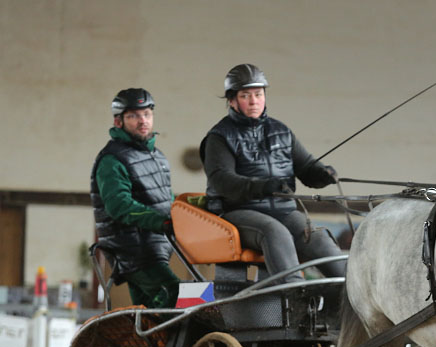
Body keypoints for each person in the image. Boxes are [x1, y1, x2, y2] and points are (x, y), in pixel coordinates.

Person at [200, 63, 346, 282]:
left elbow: (306, 167)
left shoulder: (281, 131)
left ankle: (349, 292)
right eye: (245, 95)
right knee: (274, 232)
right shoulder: (219, 137)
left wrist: (322, 174)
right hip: (236, 212)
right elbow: (223, 182)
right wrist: (263, 186)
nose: (253, 101)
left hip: (284, 211)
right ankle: (295, 294)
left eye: (258, 94)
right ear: (232, 100)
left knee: (318, 239)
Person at [90, 88, 179, 308]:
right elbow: (119, 205)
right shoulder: (112, 160)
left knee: (148, 315)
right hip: (133, 251)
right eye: (134, 116)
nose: (143, 121)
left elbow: (164, 199)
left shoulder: (158, 157)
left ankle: (146, 342)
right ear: (118, 121)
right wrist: (161, 221)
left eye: (147, 114)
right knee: (176, 294)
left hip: (157, 248)